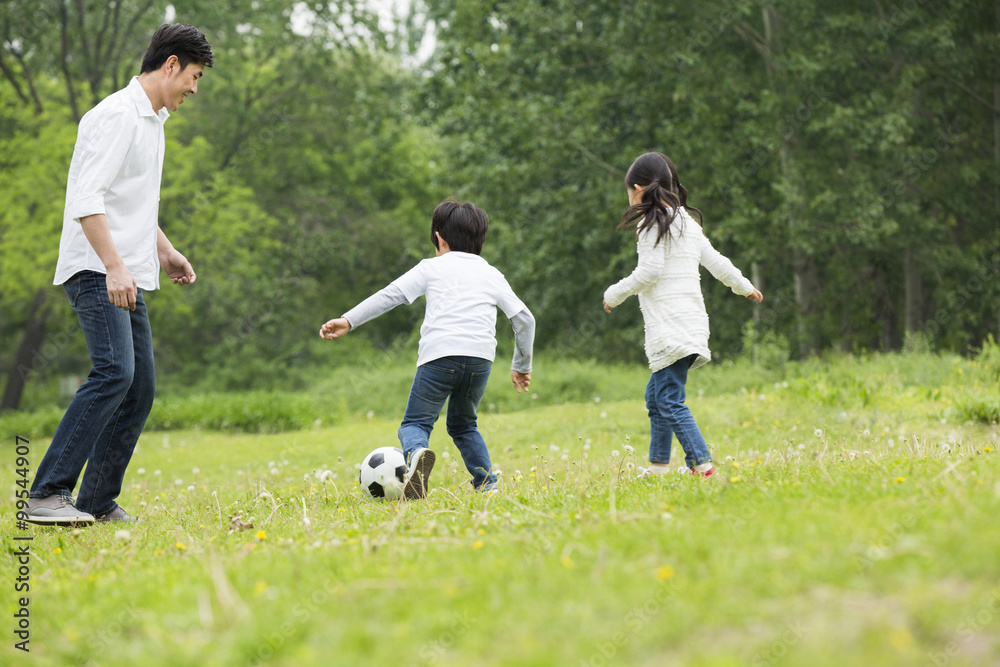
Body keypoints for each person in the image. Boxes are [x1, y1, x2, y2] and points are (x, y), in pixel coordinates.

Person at [26, 25, 214, 525]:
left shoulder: (153, 122)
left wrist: (168, 252)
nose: (194, 89)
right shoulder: (115, 116)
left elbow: (131, 206)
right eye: (194, 76)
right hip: (96, 268)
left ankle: (94, 502)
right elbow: (88, 199)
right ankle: (46, 493)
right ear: (171, 64)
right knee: (115, 372)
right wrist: (112, 266)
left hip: (124, 271)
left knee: (140, 387)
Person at [320, 200, 535, 499]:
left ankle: (417, 453)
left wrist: (348, 320)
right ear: (481, 240)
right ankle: (488, 486)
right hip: (479, 360)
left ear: (438, 238)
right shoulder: (491, 274)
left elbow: (390, 295)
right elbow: (524, 319)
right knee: (463, 425)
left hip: (439, 356)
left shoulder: (431, 268)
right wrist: (522, 365)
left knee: (415, 423)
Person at [603, 152, 763, 479]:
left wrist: (614, 293)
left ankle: (702, 465)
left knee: (669, 399)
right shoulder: (685, 222)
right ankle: (659, 467)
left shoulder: (652, 224)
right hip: (691, 323)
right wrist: (743, 285)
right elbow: (716, 261)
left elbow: (649, 272)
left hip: (670, 326)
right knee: (656, 397)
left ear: (637, 188)